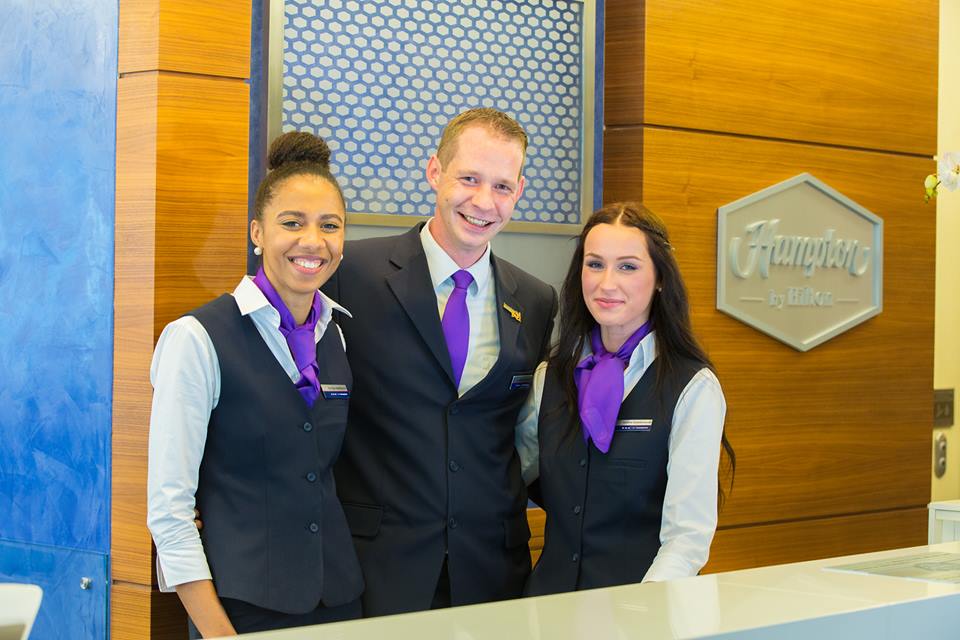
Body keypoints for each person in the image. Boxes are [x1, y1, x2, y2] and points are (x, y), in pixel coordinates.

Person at [322, 108, 557, 616]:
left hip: (493, 572)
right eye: (469, 179)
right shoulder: (350, 274)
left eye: (501, 186)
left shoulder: (537, 300)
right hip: (376, 567)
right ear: (435, 171)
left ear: (518, 191)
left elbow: (524, 435)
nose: (484, 201)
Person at [147, 132, 363, 637]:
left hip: (338, 600)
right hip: (241, 609)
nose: (313, 241)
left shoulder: (336, 334)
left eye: (330, 225)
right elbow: (170, 511)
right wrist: (218, 632)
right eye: (292, 223)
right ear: (258, 233)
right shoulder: (196, 338)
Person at [516, 202, 735, 595]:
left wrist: (644, 611)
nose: (606, 283)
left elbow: (686, 538)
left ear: (660, 278)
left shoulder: (693, 388)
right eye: (595, 264)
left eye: (628, 267)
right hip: (547, 606)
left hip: (639, 609)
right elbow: (512, 475)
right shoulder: (550, 376)